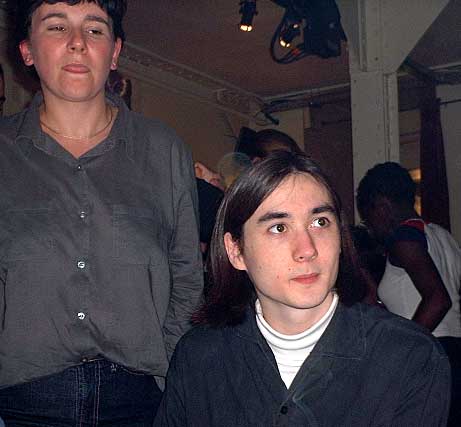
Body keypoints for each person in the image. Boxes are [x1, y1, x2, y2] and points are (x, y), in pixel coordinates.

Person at [0, 0, 203, 425]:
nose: (77, 43)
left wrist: (169, 368)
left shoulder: (164, 150)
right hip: (20, 402)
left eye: (94, 29)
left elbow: (186, 274)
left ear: (114, 52)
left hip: (140, 401)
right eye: (57, 27)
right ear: (27, 50)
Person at [154, 152, 450, 427]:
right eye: (279, 227)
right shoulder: (198, 358)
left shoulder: (410, 356)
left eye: (320, 222)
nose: (307, 249)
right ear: (236, 251)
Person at [357, 161, 461, 426]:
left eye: (368, 219)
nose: (371, 228)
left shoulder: (404, 239)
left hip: (430, 354)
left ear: (382, 207)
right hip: (453, 352)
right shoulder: (441, 235)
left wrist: (405, 350)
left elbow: (438, 300)